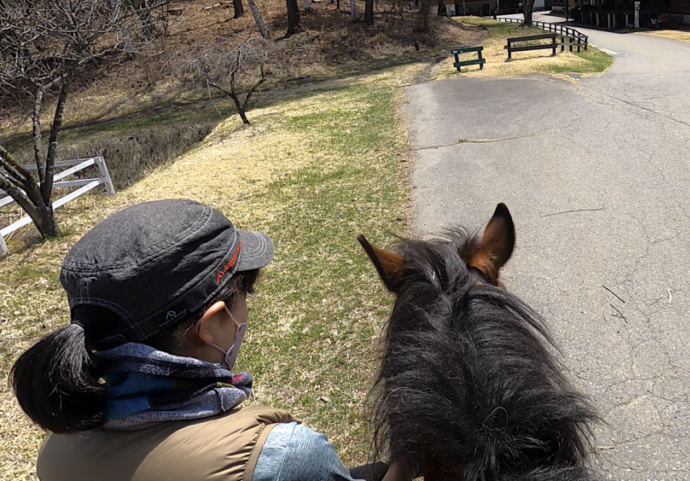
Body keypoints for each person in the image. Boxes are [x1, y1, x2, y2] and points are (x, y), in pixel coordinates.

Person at [10, 199, 415, 481]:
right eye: (245, 296)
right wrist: (404, 464)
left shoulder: (57, 453)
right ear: (213, 323)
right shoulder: (279, 458)